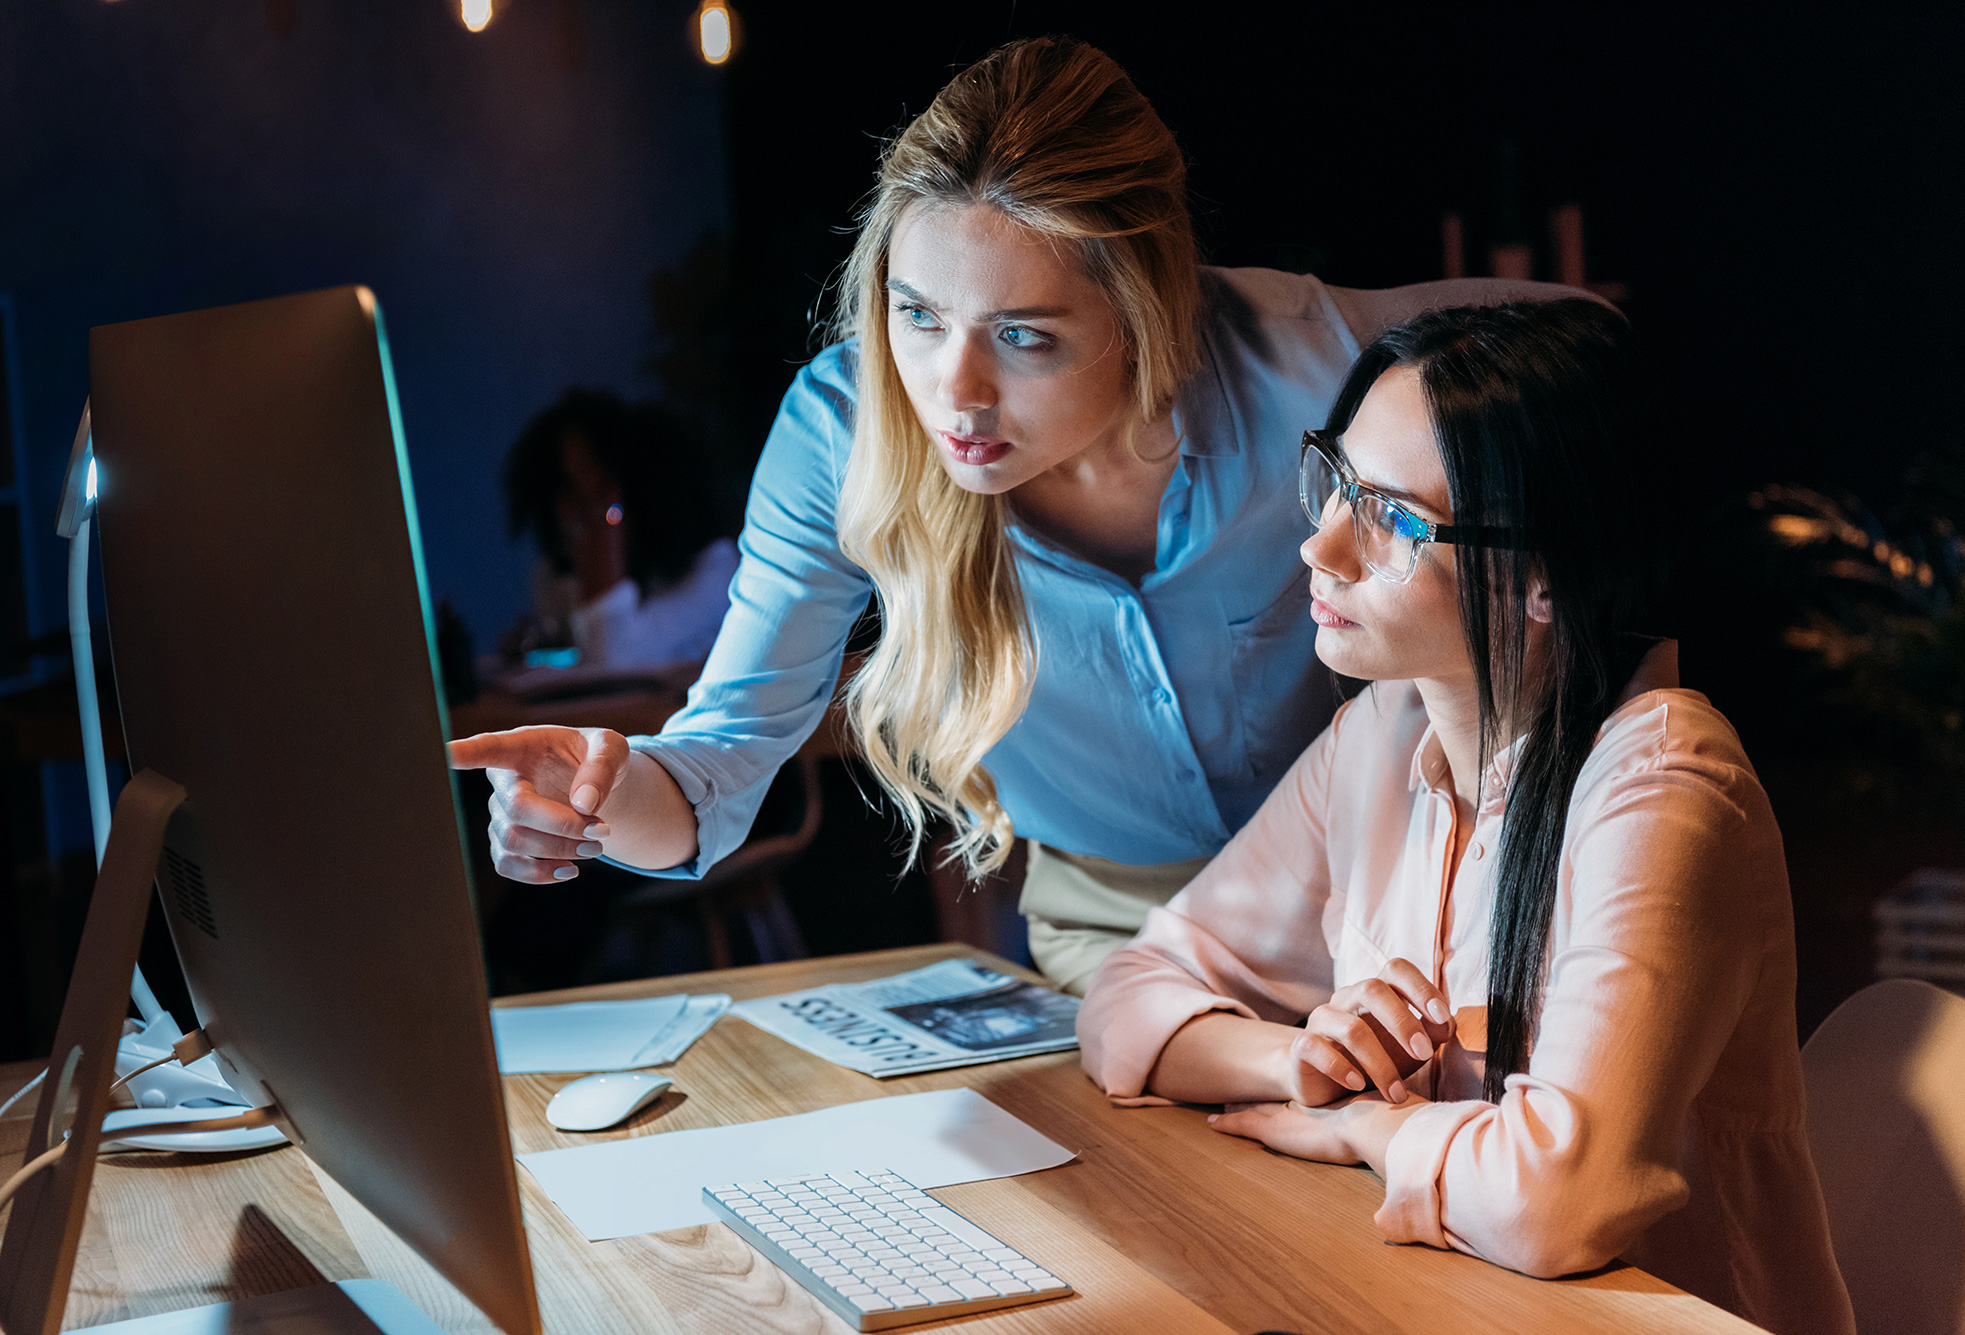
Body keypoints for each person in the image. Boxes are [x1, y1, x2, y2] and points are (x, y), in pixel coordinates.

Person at [449, 35, 1585, 993]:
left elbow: (1586, 337)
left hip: (1392, 901)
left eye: (1024, 336)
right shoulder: (845, 433)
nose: (954, 391)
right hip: (1113, 937)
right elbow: (719, 766)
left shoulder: (1315, 372)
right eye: (917, 315)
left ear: (1147, 307)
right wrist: (602, 797)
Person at [1076, 300, 1854, 1335]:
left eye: (1389, 520)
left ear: (1542, 576)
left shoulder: (1661, 784)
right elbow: (1126, 996)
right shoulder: (1382, 733)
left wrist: (1366, 1131)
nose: (1319, 547)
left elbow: (1552, 1203)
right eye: (1335, 483)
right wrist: (1300, 1060)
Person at [503, 388, 738, 671]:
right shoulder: (553, 578)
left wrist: (604, 532)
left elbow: (614, 660)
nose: (583, 507)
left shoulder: (715, 567)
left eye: (600, 486)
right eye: (568, 486)